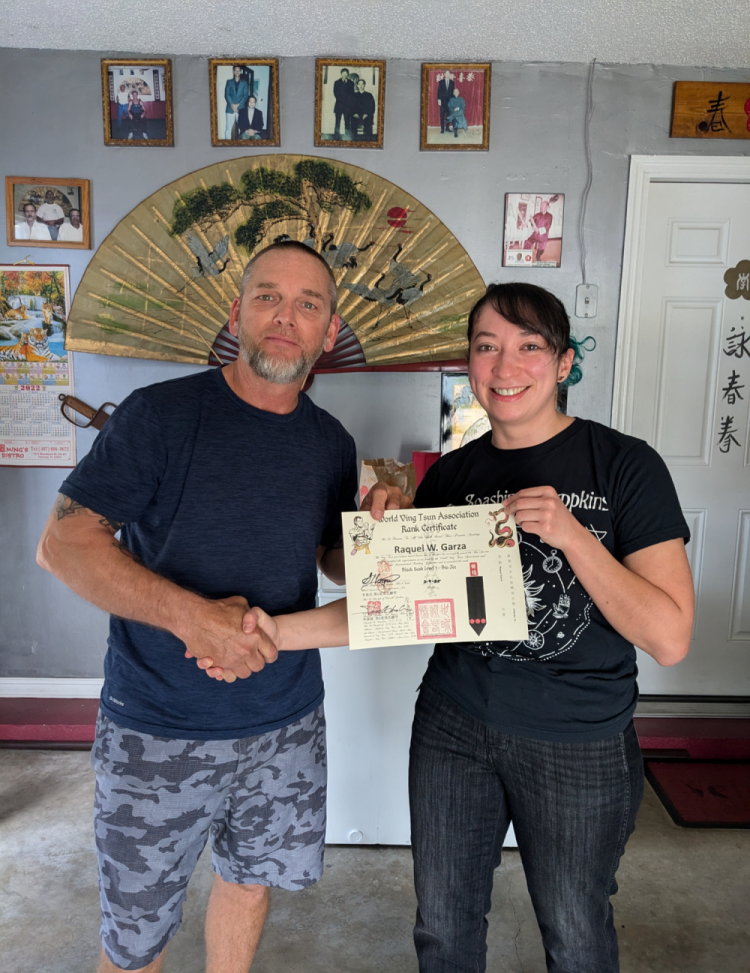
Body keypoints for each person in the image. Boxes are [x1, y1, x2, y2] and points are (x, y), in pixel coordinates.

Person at [219, 281, 694, 973]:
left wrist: (572, 536)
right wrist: (270, 630)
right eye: (486, 347)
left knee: (576, 933)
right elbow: (384, 605)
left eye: (529, 347)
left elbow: (670, 637)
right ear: (469, 362)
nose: (506, 366)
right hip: (454, 729)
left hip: (580, 740)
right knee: (443, 928)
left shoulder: (624, 466)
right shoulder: (450, 477)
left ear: (564, 363)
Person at [36, 241, 396, 973]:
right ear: (236, 314)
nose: (286, 317)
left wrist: (378, 534)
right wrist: (191, 617)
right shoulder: (159, 416)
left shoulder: (331, 442)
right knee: (136, 937)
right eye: (268, 297)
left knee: (250, 882)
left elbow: (328, 559)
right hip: (157, 727)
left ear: (330, 331)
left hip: (285, 723)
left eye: (308, 304)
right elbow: (62, 544)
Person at [224, 64, 249, 139]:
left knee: (242, 128)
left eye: (238, 70)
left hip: (241, 108)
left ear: (240, 72)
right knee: (228, 129)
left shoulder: (244, 83)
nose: (237, 72)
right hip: (230, 108)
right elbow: (227, 94)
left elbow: (245, 96)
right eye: (236, 70)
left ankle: (241, 143)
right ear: (233, 72)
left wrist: (237, 105)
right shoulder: (229, 82)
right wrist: (232, 105)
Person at [332, 67, 354, 139]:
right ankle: (336, 136)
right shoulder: (337, 82)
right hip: (339, 105)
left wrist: (347, 102)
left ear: (348, 74)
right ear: (341, 74)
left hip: (347, 106)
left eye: (346, 73)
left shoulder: (351, 83)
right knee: (337, 121)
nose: (344, 74)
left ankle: (347, 136)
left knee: (347, 121)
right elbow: (335, 93)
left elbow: (351, 94)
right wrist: (342, 100)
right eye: (343, 73)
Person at [436, 70, 453, 134]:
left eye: (449, 73)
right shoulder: (441, 82)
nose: (447, 74)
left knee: (448, 115)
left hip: (449, 102)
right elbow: (439, 91)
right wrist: (439, 100)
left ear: (450, 75)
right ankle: (442, 129)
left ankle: (447, 128)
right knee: (442, 115)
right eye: (446, 73)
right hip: (442, 101)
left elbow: (452, 93)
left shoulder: (452, 82)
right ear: (444, 74)